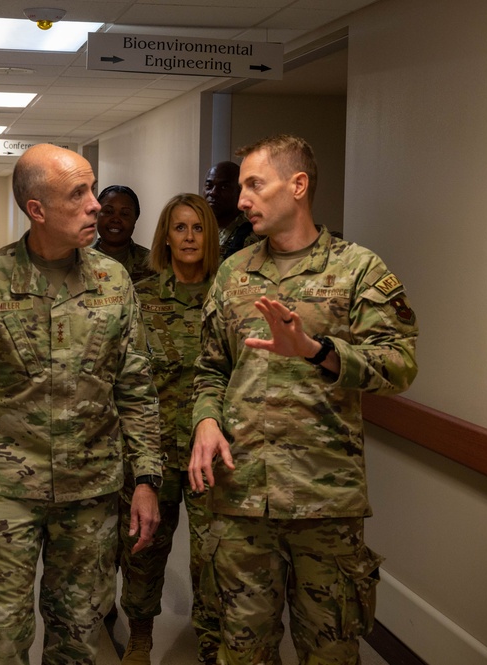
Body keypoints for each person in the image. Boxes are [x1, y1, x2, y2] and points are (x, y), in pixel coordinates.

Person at [0, 143, 163, 664]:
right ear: (37, 209)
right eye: (78, 194)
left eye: (93, 188)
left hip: (92, 490)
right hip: (7, 489)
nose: (96, 204)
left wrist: (146, 480)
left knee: (78, 637)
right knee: (1, 636)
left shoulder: (113, 281)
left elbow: (137, 388)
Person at [189, 134, 419, 664]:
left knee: (331, 652)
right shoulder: (233, 272)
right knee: (243, 651)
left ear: (298, 185)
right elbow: (209, 369)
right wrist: (205, 421)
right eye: (241, 186)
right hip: (241, 497)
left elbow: (400, 364)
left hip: (325, 503)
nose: (242, 199)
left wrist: (318, 351)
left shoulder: (358, 269)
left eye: (254, 184)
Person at [118, 194, 221, 665]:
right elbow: (122, 379)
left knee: (213, 556)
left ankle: (212, 641)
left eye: (198, 228)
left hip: (209, 453)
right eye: (180, 228)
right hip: (151, 452)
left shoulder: (228, 298)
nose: (189, 238)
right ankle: (140, 637)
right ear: (165, 236)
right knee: (143, 549)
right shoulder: (141, 296)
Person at [91, 184, 156, 283]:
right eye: (108, 211)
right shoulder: (78, 262)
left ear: (135, 219)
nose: (116, 219)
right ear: (96, 215)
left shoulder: (153, 264)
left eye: (125, 214)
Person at [204, 161, 258, 260]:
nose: (213, 192)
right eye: (209, 186)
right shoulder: (197, 229)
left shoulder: (248, 235)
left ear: (240, 192)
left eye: (224, 187)